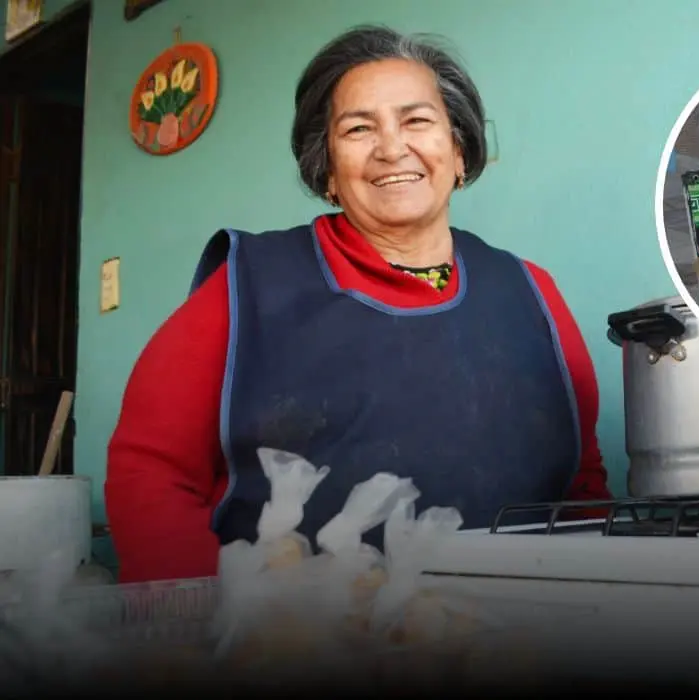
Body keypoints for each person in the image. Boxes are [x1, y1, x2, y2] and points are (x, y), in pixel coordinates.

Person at [105, 26, 612, 583]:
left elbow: (582, 485)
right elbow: (150, 470)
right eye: (358, 128)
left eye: (417, 121)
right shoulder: (244, 285)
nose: (392, 148)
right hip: (292, 641)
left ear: (460, 150)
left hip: (515, 629)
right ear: (327, 171)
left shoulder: (532, 292)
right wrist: (208, 627)